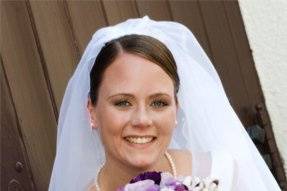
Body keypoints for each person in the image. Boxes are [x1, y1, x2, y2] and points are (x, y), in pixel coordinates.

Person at [48, 16, 281, 191]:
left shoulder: (221, 174)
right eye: (123, 103)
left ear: (176, 109)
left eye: (159, 103)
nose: (142, 120)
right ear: (92, 111)